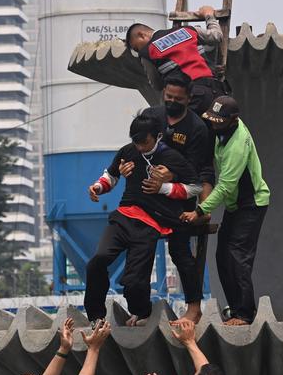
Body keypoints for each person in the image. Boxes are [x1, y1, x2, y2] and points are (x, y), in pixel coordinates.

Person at [86, 112, 201, 326]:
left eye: (144, 142)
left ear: (157, 136)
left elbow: (195, 187)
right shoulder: (128, 152)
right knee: (97, 260)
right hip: (124, 216)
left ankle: (140, 312)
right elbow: (111, 176)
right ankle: (95, 316)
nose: (139, 147)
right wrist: (98, 188)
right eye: (135, 142)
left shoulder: (172, 158)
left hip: (151, 222)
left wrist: (165, 188)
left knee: (134, 281)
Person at [119, 77, 214, 323]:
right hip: (147, 199)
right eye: (168, 97)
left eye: (178, 99)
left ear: (188, 98)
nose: (172, 102)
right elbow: (135, 147)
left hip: (178, 198)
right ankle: (139, 308)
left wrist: (175, 179)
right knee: (140, 249)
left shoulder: (197, 128)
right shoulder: (152, 116)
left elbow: (200, 171)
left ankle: (193, 307)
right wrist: (126, 168)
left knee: (180, 251)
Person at [181, 96, 270, 326]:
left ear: (233, 120)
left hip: (251, 204)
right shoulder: (223, 131)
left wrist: (199, 211)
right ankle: (235, 308)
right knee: (222, 256)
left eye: (219, 121)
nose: (214, 124)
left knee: (237, 256)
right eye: (213, 119)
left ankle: (245, 314)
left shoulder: (237, 144)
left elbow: (225, 186)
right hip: (235, 205)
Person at [125, 6, 227, 116]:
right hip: (216, 90)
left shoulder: (147, 52)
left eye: (136, 47)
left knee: (186, 130)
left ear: (141, 34)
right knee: (221, 126)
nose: (138, 51)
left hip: (192, 97)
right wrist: (209, 15)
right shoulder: (187, 30)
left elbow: (157, 85)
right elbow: (217, 36)